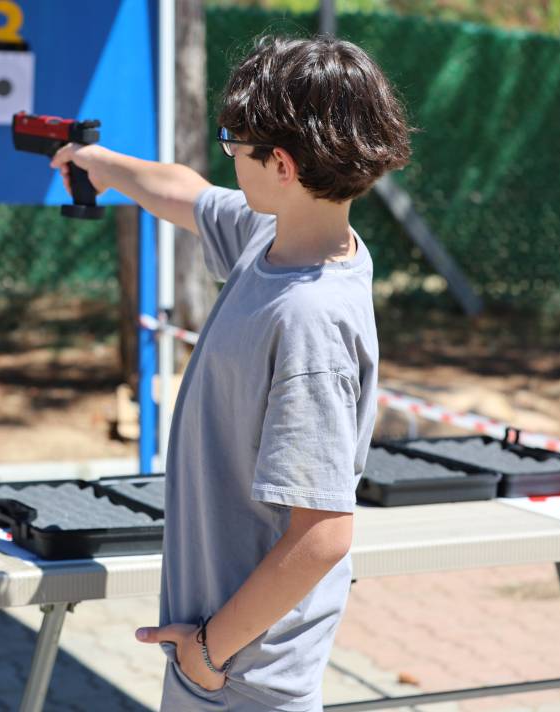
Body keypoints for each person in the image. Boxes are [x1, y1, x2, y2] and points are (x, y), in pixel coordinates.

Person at [49, 34, 412, 710]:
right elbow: (186, 195)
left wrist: (210, 651)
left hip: (243, 673)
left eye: (235, 147)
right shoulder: (274, 236)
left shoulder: (310, 318)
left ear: (280, 162)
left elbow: (324, 533)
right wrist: (101, 165)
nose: (228, 160)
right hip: (224, 652)